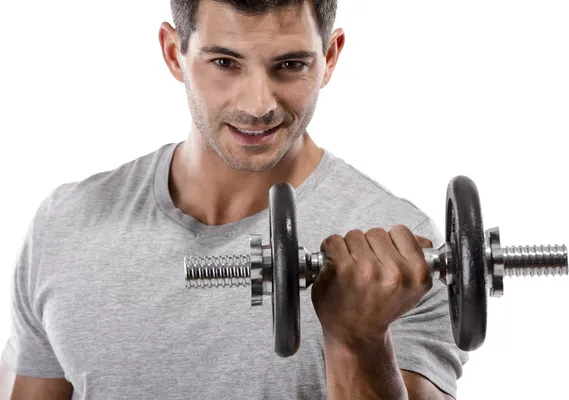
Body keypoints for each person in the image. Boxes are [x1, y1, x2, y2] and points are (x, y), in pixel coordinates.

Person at [0, 0, 469, 399]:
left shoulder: (404, 252)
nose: (257, 104)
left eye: (290, 64)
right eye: (225, 62)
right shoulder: (65, 223)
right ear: (172, 52)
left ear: (330, 56)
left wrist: (357, 339)